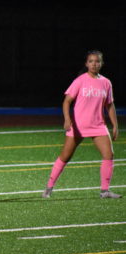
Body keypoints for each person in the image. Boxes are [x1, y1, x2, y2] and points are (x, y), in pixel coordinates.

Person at [42, 50, 121, 199]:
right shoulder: (80, 80)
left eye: (97, 61)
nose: (94, 64)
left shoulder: (106, 82)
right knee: (65, 156)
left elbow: (110, 105)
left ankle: (105, 191)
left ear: (101, 63)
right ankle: (48, 188)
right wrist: (67, 119)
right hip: (78, 126)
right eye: (91, 61)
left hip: (98, 125)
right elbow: (66, 101)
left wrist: (115, 125)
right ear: (86, 64)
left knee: (109, 155)